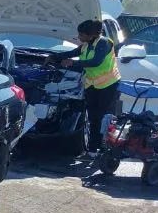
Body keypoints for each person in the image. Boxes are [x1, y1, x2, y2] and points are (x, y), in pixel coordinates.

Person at [51, 19, 121, 157]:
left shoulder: (103, 43)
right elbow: (71, 53)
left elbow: (96, 62)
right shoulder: (85, 45)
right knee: (93, 117)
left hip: (108, 85)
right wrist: (54, 56)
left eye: (81, 35)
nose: (79, 37)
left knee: (103, 117)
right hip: (92, 85)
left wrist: (72, 64)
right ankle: (93, 148)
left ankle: (105, 147)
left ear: (91, 35)